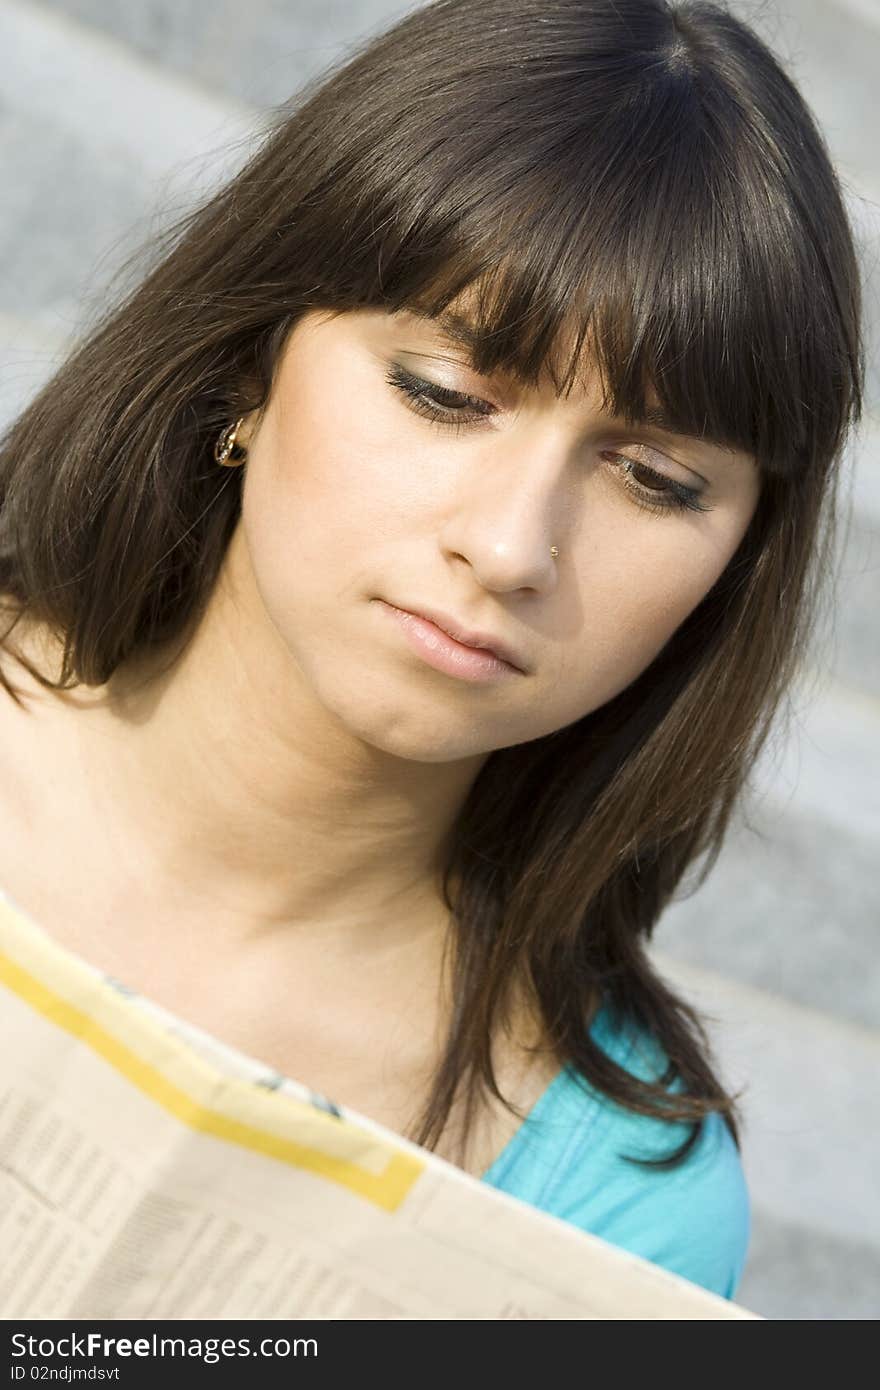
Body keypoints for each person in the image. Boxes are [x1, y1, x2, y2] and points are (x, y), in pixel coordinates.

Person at [0, 0, 863, 1305]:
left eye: (655, 479)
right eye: (447, 395)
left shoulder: (619, 1195)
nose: (515, 546)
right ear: (251, 366)